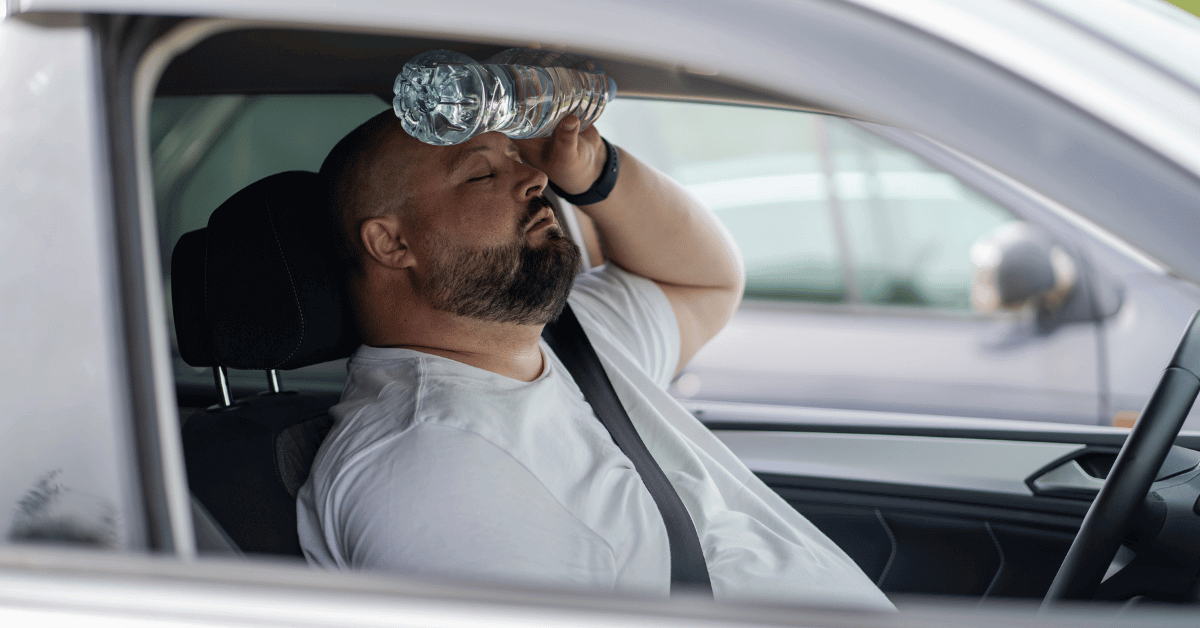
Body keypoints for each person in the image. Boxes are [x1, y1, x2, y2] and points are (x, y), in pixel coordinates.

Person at [296, 109, 893, 610]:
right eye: (480, 175)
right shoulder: (428, 466)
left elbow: (705, 282)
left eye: (517, 158)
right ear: (392, 243)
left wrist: (595, 171)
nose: (533, 179)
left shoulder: (567, 337)